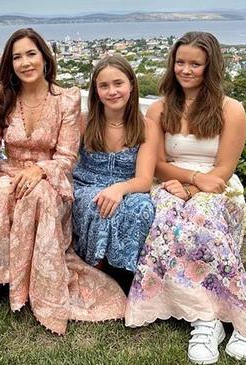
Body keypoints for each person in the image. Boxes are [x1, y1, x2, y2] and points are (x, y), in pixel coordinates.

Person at [125, 31, 246, 364]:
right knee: (167, 219)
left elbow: (225, 168)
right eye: (180, 62)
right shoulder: (159, 109)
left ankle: (243, 315)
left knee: (202, 219)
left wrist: (195, 187)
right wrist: (187, 181)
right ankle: (206, 317)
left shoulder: (231, 110)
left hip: (218, 186)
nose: (185, 70)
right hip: (172, 182)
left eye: (195, 64)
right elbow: (156, 162)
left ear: (210, 66)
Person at [0, 28, 126, 335]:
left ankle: (33, 284)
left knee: (37, 195)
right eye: (17, 57)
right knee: (1, 191)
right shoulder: (1, 96)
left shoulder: (66, 99)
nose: (25, 63)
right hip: (8, 171)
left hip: (51, 177)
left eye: (31, 54)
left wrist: (40, 170)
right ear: (10, 64)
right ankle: (1, 276)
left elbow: (67, 157)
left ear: (44, 58)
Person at [71, 54, 158, 286]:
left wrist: (120, 188)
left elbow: (145, 179)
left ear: (131, 84)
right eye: (104, 86)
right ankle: (98, 267)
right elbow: (66, 162)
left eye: (118, 83)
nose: (112, 91)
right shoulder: (84, 122)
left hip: (128, 187)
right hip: (86, 185)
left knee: (141, 207)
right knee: (99, 203)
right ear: (96, 91)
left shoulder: (146, 127)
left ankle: (126, 272)